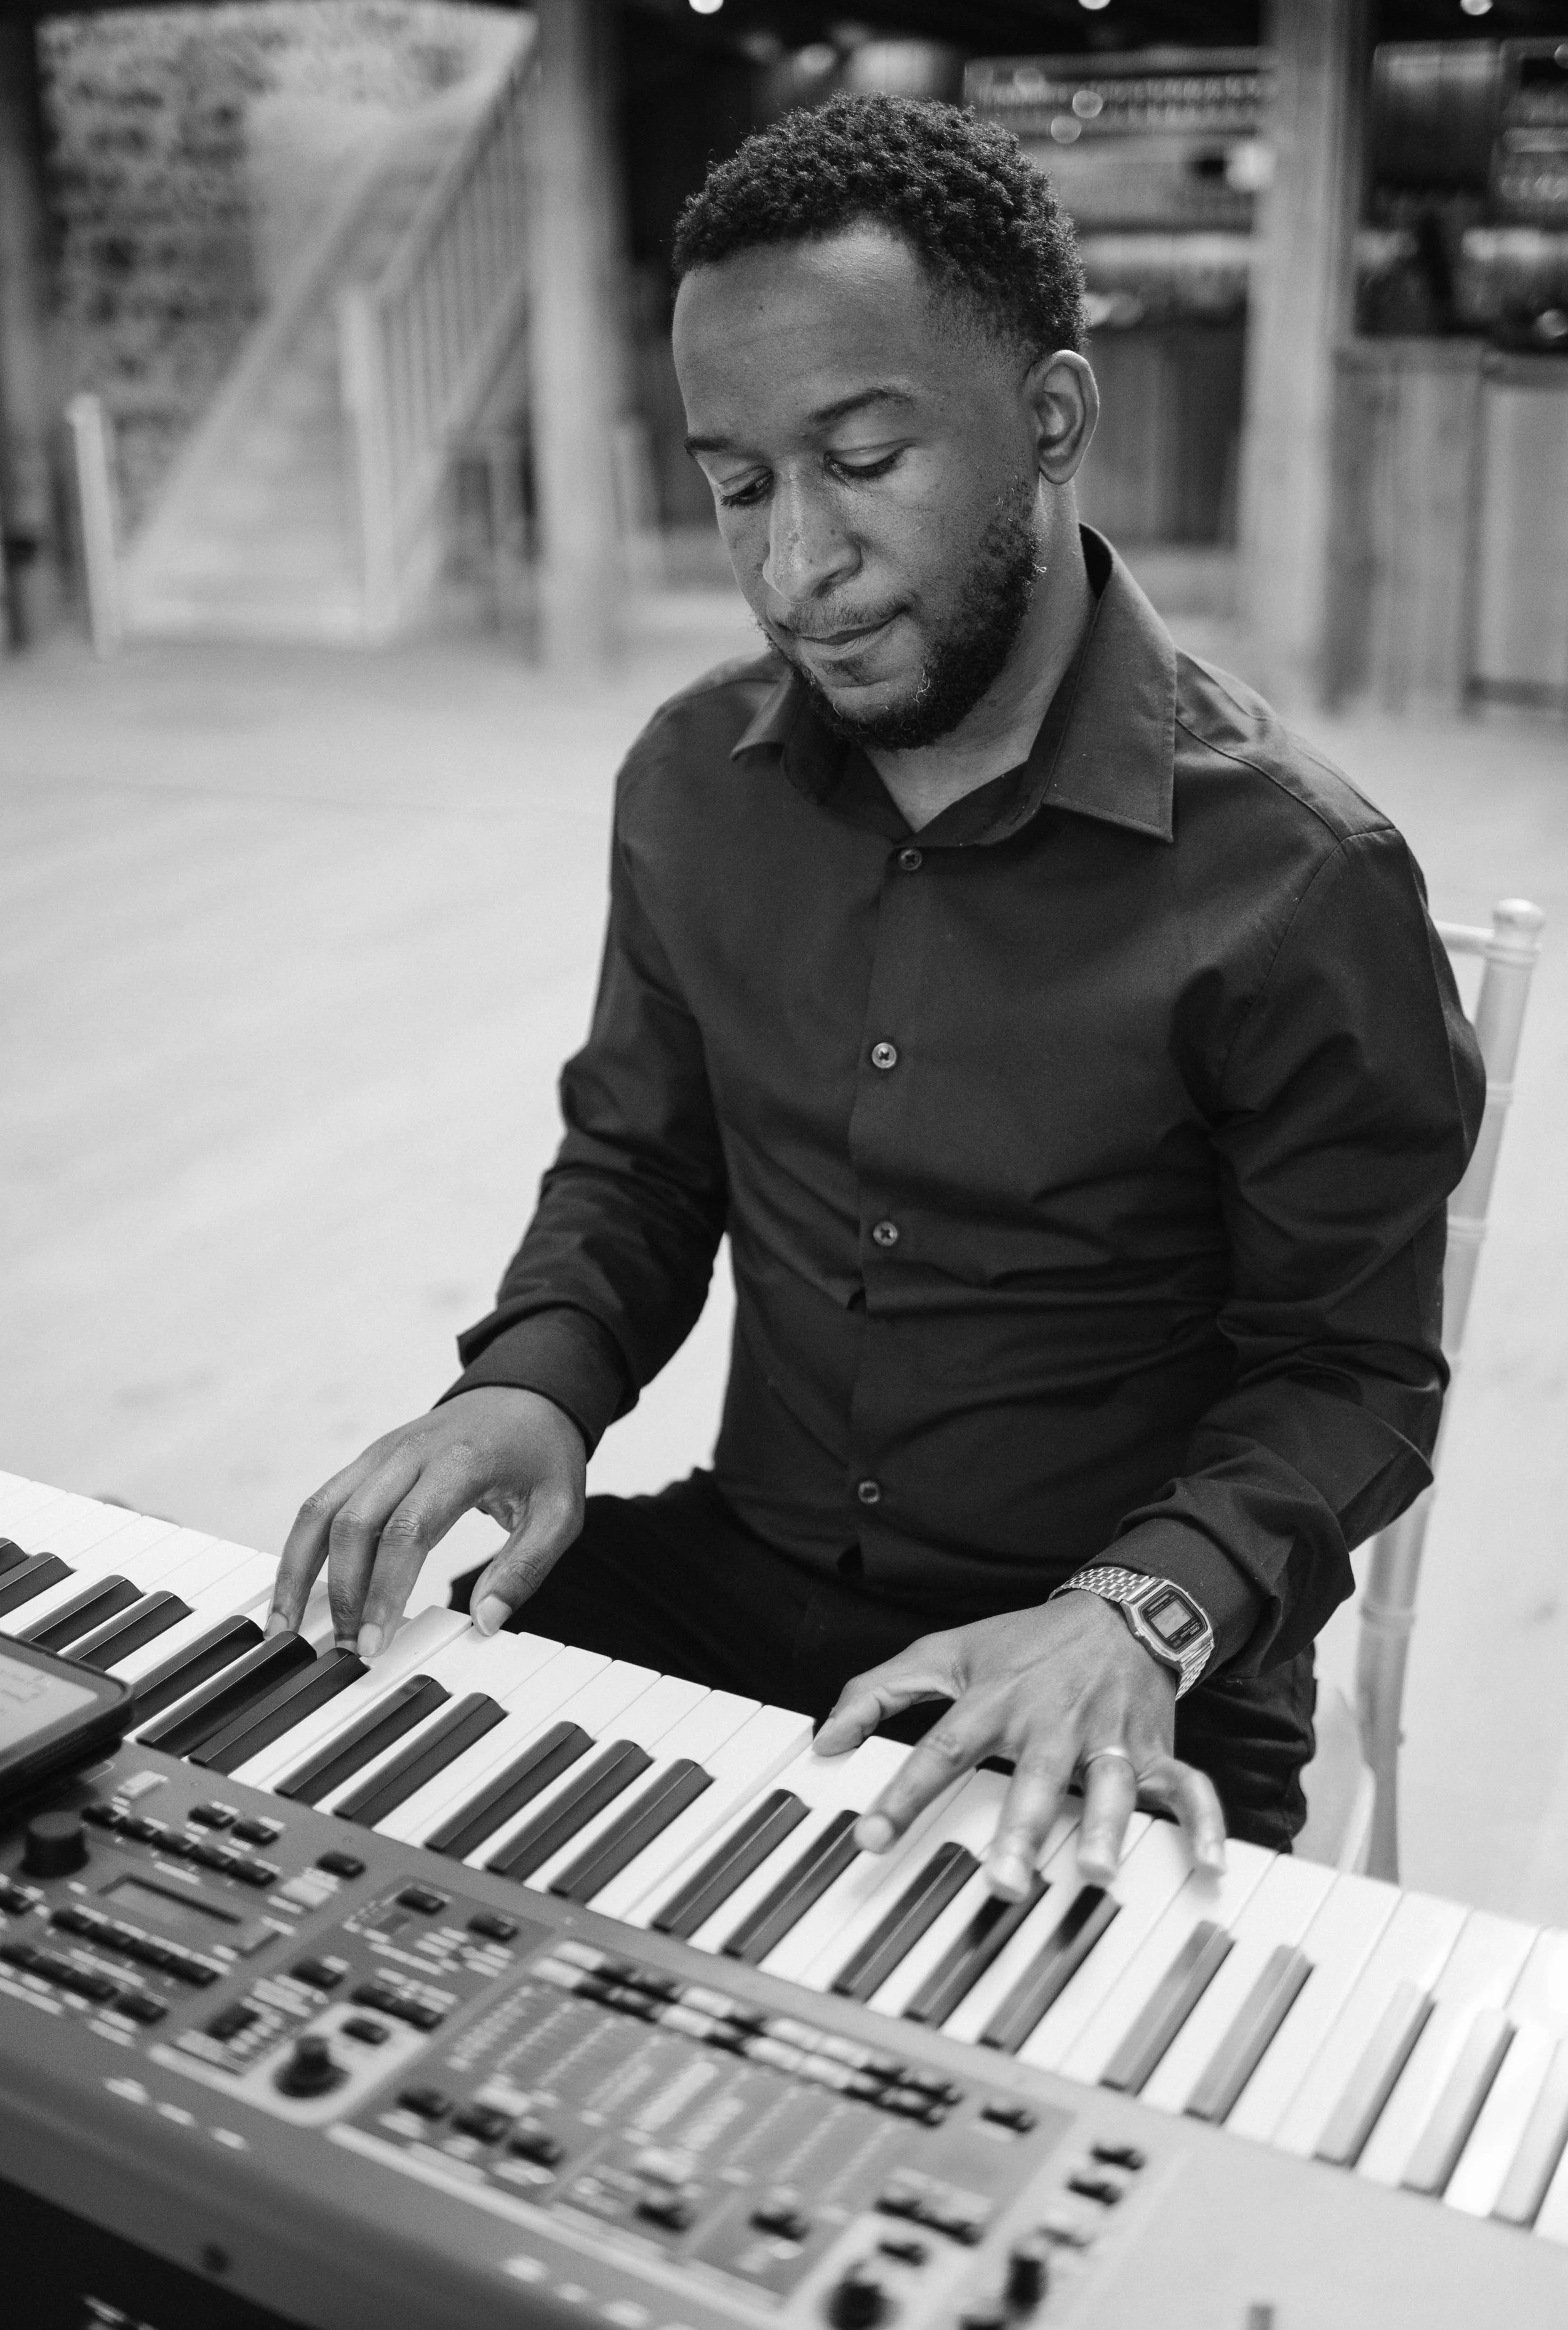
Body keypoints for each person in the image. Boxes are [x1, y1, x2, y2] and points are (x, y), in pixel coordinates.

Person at [267, 97, 1483, 1901]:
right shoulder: (693, 781)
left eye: (861, 458)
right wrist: (538, 1382)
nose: (790, 565)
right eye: (739, 483)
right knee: (306, 1834)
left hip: (1107, 1654)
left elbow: (1352, 1372)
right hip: (740, 1577)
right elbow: (642, 1169)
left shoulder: (1298, 881)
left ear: (1052, 421)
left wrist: (1138, 1612)